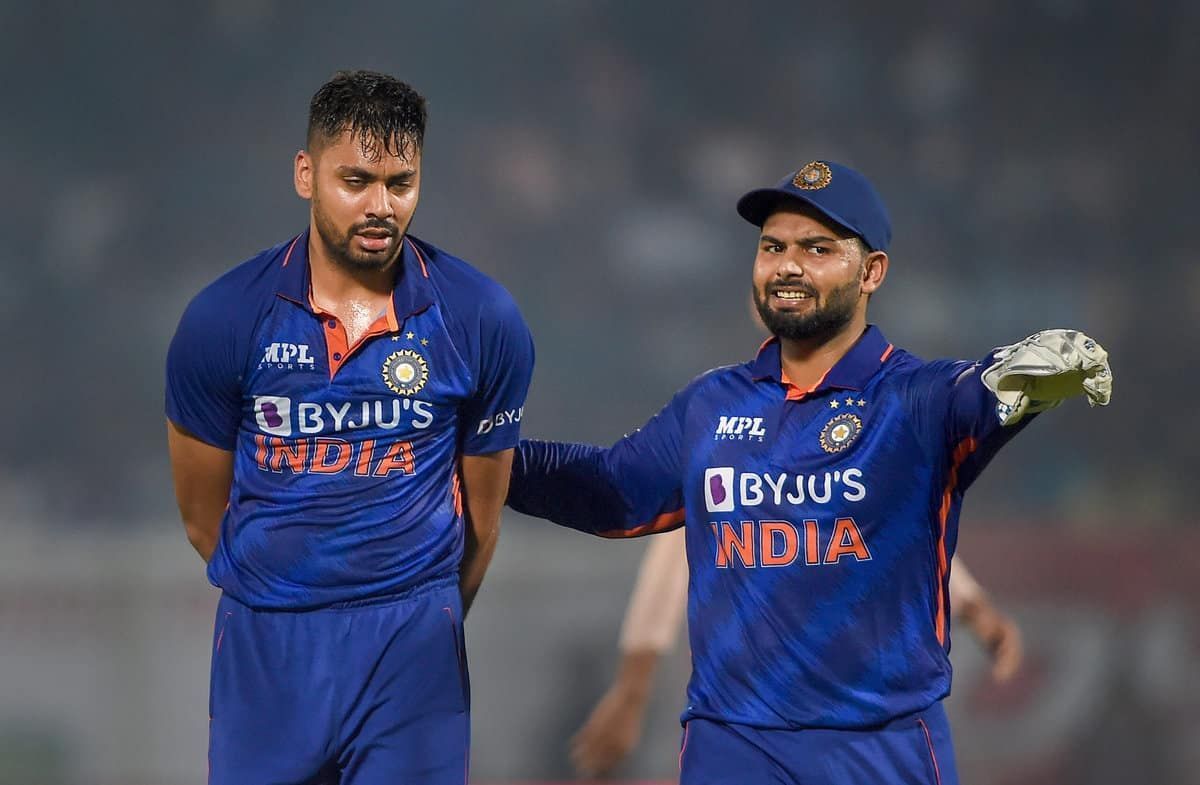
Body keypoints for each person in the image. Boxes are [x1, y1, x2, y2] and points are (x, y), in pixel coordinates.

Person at [507, 160, 1110, 784]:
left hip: (880, 749)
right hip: (731, 746)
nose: (787, 266)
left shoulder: (911, 399)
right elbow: (611, 491)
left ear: (872, 271)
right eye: (773, 247)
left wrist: (1034, 374)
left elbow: (979, 393)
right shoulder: (712, 404)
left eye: (817, 249)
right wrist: (487, 454)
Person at [165, 70, 534, 785]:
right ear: (306, 174)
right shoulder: (221, 321)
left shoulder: (483, 319)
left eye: (400, 183)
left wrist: (417, 623)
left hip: (413, 649)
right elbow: (201, 516)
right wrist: (290, 590)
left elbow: (482, 522)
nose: (379, 205)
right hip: (268, 649)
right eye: (355, 179)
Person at [570, 528, 1023, 777]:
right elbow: (671, 559)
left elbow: (902, 526)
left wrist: (976, 609)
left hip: (857, 715)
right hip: (752, 718)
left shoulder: (862, 431)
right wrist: (631, 691)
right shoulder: (728, 435)